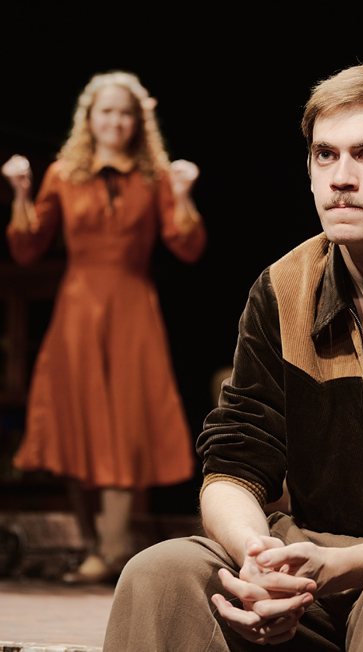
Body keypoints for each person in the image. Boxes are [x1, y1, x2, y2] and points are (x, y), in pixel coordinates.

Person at [102, 63, 363, 652]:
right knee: (159, 574)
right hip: (310, 562)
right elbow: (234, 458)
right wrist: (257, 559)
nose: (341, 179)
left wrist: (351, 565)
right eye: (324, 155)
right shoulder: (283, 288)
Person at [1, 71, 206, 583]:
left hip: (132, 311)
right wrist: (20, 194)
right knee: (76, 425)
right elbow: (26, 249)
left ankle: (112, 551)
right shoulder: (63, 174)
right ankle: (94, 547)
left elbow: (187, 247)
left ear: (138, 122)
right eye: (106, 112)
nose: (115, 121)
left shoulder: (154, 177)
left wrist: (183, 194)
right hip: (77, 312)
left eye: (125, 113)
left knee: (124, 425)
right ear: (89, 118)